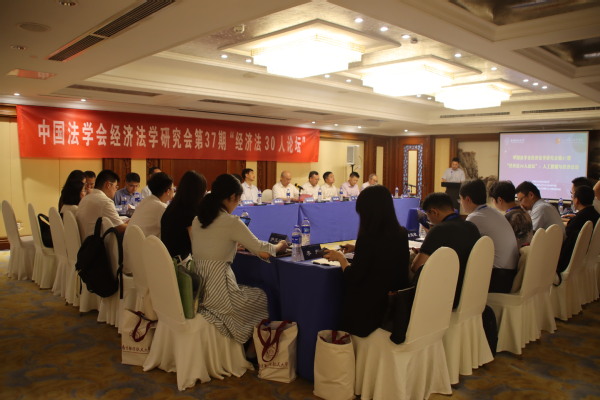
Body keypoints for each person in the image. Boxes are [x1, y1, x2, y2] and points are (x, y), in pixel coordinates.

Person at [192, 174, 288, 344]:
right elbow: (263, 251)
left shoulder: (197, 220)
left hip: (199, 292)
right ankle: (255, 346)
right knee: (265, 296)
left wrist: (232, 246)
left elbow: (210, 247)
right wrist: (280, 245)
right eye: (238, 199)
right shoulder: (232, 222)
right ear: (232, 197)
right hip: (221, 293)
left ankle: (250, 347)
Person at [323, 185, 410, 337]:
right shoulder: (401, 233)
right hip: (394, 306)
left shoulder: (368, 238)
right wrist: (357, 248)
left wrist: (341, 258)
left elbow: (353, 276)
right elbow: (385, 254)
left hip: (370, 313)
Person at [411, 192, 480, 308]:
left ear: (434, 212)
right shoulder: (471, 227)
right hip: (470, 292)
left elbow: (416, 267)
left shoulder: (438, 230)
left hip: (445, 296)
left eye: (428, 215)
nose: (428, 220)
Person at [460, 180, 519, 293]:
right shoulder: (495, 213)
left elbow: (463, 247)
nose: (461, 203)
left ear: (467, 199)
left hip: (498, 278)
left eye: (460, 199)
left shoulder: (475, 217)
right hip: (510, 274)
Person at [161, 171, 207, 260]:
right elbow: (197, 246)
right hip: (180, 263)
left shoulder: (172, 207)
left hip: (167, 260)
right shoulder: (189, 213)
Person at [556, 185, 600, 273]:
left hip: (569, 264)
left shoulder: (578, 220)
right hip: (585, 261)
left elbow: (566, 241)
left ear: (577, 200)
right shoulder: (596, 215)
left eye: (572, 196)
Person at [76, 169, 127, 239]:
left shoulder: (86, 198)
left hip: (84, 241)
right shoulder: (105, 202)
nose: (116, 190)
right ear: (108, 185)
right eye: (116, 187)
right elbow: (120, 228)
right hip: (96, 243)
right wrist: (133, 223)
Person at [128, 172, 174, 238]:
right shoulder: (162, 208)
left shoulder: (146, 201)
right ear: (168, 191)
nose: (174, 191)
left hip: (129, 242)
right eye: (173, 188)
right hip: (143, 243)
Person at [489, 180, 533, 248]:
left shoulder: (507, 218)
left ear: (499, 200)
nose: (493, 203)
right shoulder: (525, 213)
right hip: (527, 252)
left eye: (493, 200)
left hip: (515, 253)